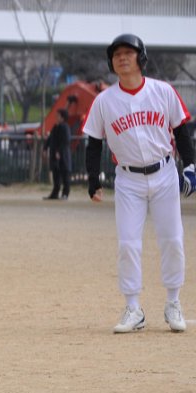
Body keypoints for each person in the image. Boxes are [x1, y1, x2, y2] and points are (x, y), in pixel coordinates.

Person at [84, 33, 195, 334]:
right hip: (128, 179)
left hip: (164, 174)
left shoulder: (163, 91)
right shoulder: (104, 101)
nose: (122, 57)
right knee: (128, 243)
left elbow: (181, 130)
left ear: (141, 57)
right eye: (116, 54)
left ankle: (173, 302)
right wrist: (93, 180)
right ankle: (133, 308)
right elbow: (94, 143)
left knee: (172, 239)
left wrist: (191, 165)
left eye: (128, 52)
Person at [43, 108, 72, 200]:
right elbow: (50, 138)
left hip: (63, 155)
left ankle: (65, 194)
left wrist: (59, 151)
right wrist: (45, 148)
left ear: (62, 117)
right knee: (56, 174)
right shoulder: (55, 127)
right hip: (54, 155)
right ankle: (55, 193)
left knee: (65, 174)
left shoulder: (65, 127)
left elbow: (65, 141)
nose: (56, 117)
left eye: (58, 116)